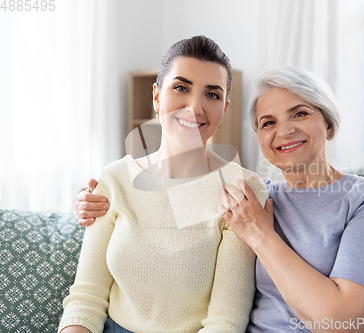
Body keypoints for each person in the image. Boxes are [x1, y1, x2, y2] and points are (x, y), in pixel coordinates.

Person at [78, 68, 364, 333]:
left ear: (329, 125)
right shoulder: (250, 194)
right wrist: (95, 198)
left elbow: (342, 322)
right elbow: (151, 207)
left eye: (300, 114)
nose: (285, 131)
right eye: (268, 123)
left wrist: (261, 235)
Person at [59, 35, 268, 333]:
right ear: (156, 96)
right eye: (181, 88)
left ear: (224, 108)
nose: (195, 108)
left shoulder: (242, 189)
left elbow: (226, 321)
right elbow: (86, 300)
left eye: (212, 95)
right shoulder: (113, 180)